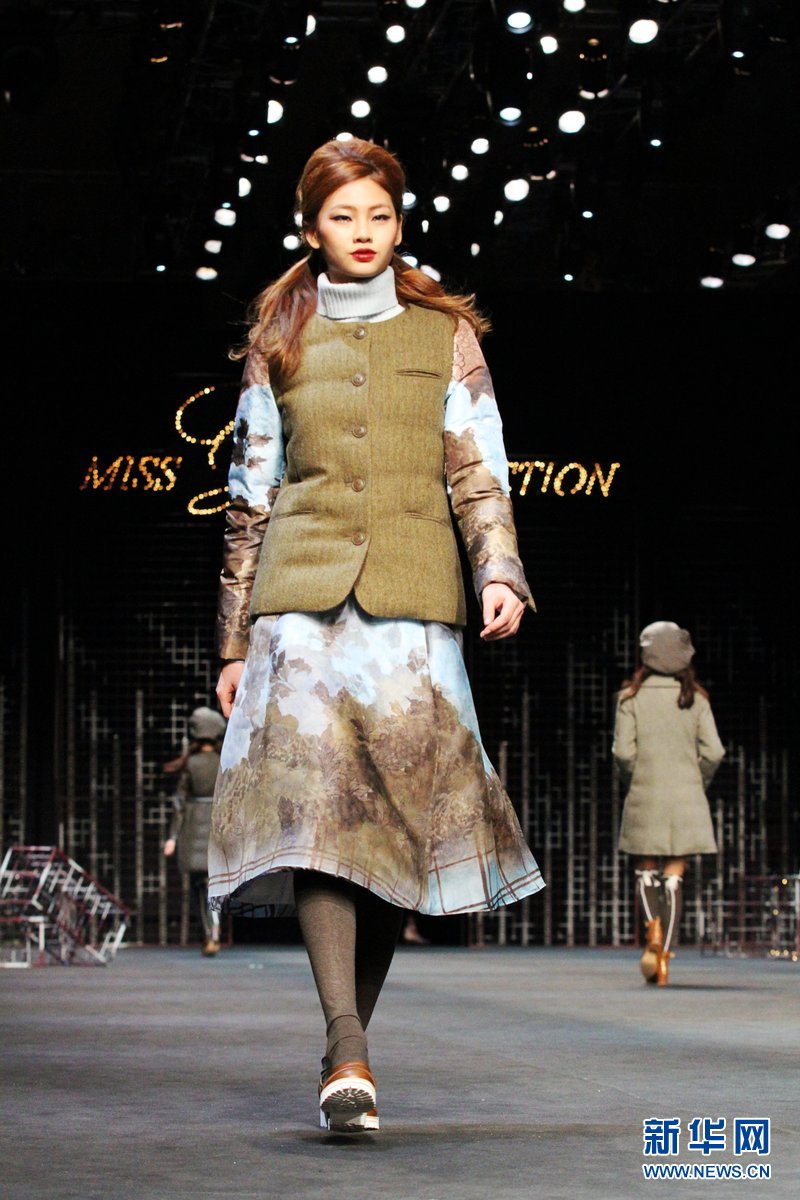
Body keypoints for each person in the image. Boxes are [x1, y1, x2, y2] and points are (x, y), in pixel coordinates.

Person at [207, 136, 544, 1133]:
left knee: (397, 825)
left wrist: (499, 571)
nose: (363, 233)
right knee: (320, 817)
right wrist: (232, 644)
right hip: (301, 606)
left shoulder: (445, 334)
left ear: (400, 224)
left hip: (411, 605)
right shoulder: (280, 332)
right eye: (342, 216)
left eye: (379, 216)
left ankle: (344, 1048)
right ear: (311, 227)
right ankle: (346, 1043)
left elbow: (478, 468)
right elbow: (250, 492)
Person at [613, 621, 725, 986]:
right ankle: (664, 953)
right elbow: (714, 752)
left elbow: (623, 753)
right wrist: (696, 781)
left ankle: (652, 933)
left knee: (645, 870)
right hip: (686, 797)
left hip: (645, 793)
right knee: (674, 875)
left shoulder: (630, 698)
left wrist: (636, 781)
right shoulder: (696, 699)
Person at [163, 706, 227, 956]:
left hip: (193, 828)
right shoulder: (225, 761)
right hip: (219, 826)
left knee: (201, 886)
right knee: (215, 884)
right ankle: (214, 929)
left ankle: (210, 931)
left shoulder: (190, 763)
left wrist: (172, 837)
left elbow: (179, 802)